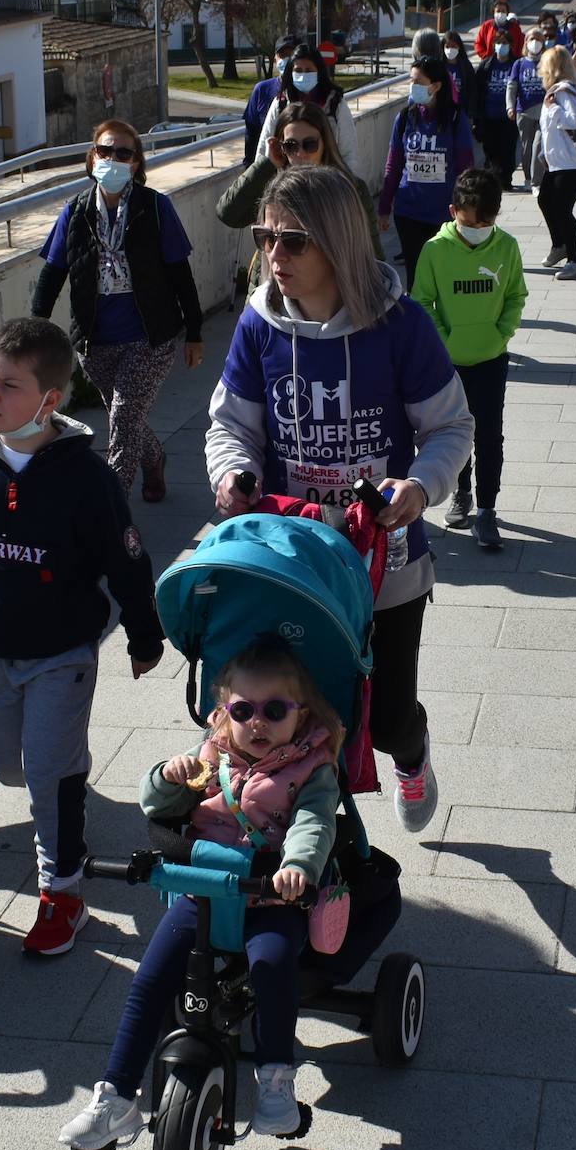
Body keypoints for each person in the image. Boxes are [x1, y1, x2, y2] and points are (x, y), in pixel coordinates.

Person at [206, 165, 474, 831]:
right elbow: (231, 425)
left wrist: (418, 487)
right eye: (267, 237)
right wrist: (232, 472)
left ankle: (411, 757)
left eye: (293, 240)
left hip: (389, 565)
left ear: (338, 241)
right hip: (291, 563)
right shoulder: (258, 326)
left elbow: (450, 426)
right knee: (300, 720)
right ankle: (316, 854)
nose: (274, 254)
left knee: (385, 719)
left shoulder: (402, 326)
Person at [0, 318, 164, 956]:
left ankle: (62, 891)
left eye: (9, 384)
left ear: (50, 399)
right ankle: (63, 773)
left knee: (47, 774)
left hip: (62, 656)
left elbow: (126, 560)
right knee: (11, 767)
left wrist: (144, 634)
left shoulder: (88, 479)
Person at [58, 639, 344, 1146]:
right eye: (243, 710)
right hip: (204, 892)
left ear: (300, 716)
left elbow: (314, 825)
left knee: (273, 966)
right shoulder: (212, 754)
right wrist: (167, 778)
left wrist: (297, 865)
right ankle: (116, 1097)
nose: (257, 723)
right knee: (150, 979)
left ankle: (275, 1080)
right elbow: (158, 804)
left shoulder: (311, 769)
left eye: (274, 711)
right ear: (222, 712)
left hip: (270, 898)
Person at [31, 120, 204, 503]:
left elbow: (180, 273)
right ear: (93, 157)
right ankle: (155, 458)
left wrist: (194, 331)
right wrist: (32, 332)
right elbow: (53, 272)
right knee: (125, 416)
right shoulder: (75, 212)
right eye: (105, 151)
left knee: (123, 419)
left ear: (136, 163)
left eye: (123, 153)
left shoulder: (155, 208)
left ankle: (110, 514)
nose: (112, 159)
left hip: (149, 338)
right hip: (95, 343)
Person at [412, 169, 527, 552]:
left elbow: (515, 295)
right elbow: (422, 304)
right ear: (452, 211)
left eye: (487, 222)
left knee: (489, 434)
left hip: (491, 359)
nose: (478, 229)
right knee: (454, 433)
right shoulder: (434, 250)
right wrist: (443, 342)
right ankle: (462, 493)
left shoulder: (506, 247)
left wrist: (501, 333)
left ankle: (487, 510)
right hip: (448, 366)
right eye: (469, 222)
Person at [216, 101, 382, 299]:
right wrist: (266, 164)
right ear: (280, 147)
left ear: (325, 144)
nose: (300, 153)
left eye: (310, 144)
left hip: (328, 306)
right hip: (273, 299)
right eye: (290, 146)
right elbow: (228, 213)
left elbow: (373, 257)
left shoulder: (350, 189)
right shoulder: (272, 183)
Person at [378, 57, 475, 288]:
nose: (413, 87)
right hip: (408, 211)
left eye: (418, 82)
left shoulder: (455, 119)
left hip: (443, 214)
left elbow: (465, 169)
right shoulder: (404, 118)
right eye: (412, 81)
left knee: (441, 276)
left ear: (436, 85)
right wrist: (384, 207)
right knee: (414, 274)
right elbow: (393, 165)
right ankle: (418, 320)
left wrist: (467, 210)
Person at [255, 44, 362, 177]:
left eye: (309, 70)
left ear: (319, 72)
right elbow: (263, 150)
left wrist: (350, 186)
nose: (303, 75)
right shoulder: (280, 103)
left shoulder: (335, 104)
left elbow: (349, 153)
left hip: (328, 186)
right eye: (298, 70)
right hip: (289, 184)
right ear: (291, 73)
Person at [536, 46, 576, 280]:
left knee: (562, 209)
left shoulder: (564, 92)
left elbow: (575, 121)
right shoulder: (555, 92)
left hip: (571, 163)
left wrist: (553, 108)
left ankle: (575, 260)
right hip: (557, 162)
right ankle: (560, 245)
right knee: (545, 199)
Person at [243, 34, 300, 166]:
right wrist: (249, 170)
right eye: (283, 55)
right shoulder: (261, 90)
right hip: (268, 167)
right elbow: (251, 133)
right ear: (275, 59)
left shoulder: (306, 89)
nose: (287, 60)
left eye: (291, 55)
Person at [473, 26, 518, 189]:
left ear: (510, 45)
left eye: (505, 43)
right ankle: (492, 179)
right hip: (488, 116)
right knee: (490, 149)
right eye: (498, 42)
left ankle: (506, 179)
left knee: (507, 149)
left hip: (508, 117)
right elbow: (477, 90)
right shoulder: (486, 65)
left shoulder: (516, 64)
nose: (501, 45)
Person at [507, 28, 548, 192]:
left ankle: (536, 182)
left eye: (539, 39)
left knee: (538, 146)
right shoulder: (519, 63)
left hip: (544, 112)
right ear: (526, 42)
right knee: (526, 148)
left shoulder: (547, 62)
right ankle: (527, 178)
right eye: (532, 38)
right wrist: (510, 106)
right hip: (523, 112)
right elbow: (512, 87)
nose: (535, 42)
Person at [442, 30, 476, 110]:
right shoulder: (439, 66)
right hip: (444, 109)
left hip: (462, 109)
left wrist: (471, 111)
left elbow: (472, 89)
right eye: (447, 46)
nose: (450, 49)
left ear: (459, 47)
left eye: (454, 46)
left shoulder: (466, 66)